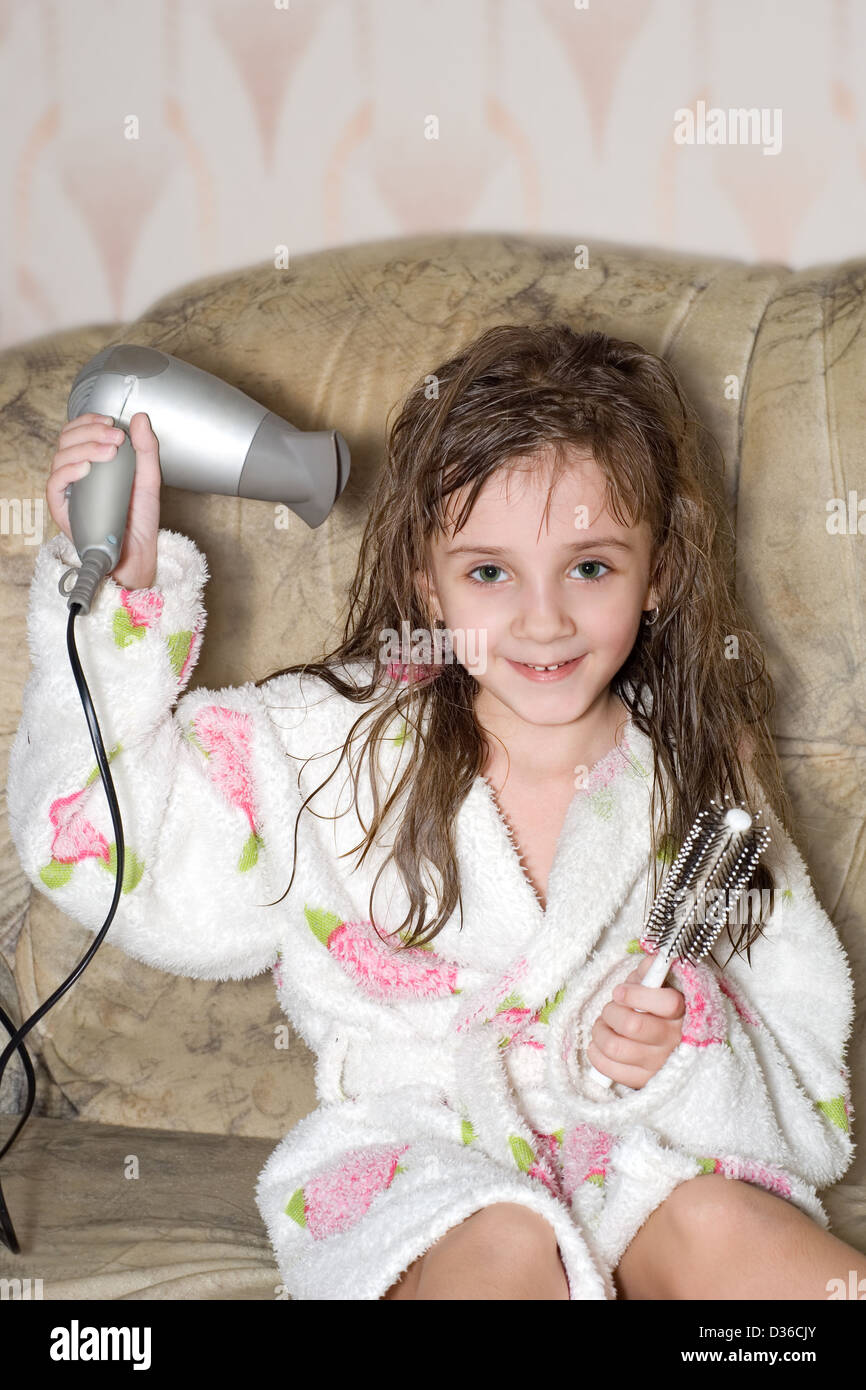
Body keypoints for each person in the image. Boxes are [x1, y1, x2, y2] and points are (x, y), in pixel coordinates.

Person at [7, 323, 865, 1302]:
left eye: (589, 567)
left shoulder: (697, 774)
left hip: (630, 1150)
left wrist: (678, 1048)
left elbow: (796, 1044)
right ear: (425, 575)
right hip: (418, 1158)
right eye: (489, 572)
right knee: (503, 1238)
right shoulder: (327, 747)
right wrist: (119, 595)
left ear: (658, 571)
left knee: (724, 1226)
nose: (542, 620)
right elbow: (97, 841)